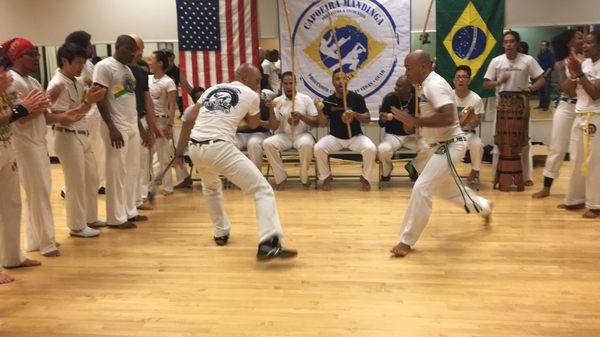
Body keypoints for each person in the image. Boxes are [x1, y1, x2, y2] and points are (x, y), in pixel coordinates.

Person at [173, 63, 297, 260]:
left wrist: (179, 153)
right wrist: (240, 117)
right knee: (262, 190)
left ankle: (221, 232)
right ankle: (268, 242)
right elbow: (255, 123)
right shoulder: (251, 95)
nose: (258, 85)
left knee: (211, 187)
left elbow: (189, 120)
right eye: (257, 80)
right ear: (246, 78)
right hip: (219, 148)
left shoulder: (213, 89)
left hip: (195, 147)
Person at [390, 50, 492, 257]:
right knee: (446, 191)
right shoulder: (425, 85)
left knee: (422, 187)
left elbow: (448, 117)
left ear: (423, 67)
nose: (406, 72)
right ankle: (484, 206)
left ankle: (406, 241)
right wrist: (414, 123)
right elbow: (434, 117)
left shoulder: (434, 85)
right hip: (438, 145)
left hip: (450, 144)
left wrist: (416, 121)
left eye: (408, 67)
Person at [2, 37, 61, 257]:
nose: (36, 58)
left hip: (38, 142)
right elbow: (21, 117)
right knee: (39, 193)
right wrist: (48, 99)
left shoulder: (34, 82)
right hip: (23, 145)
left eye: (37, 54)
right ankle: (47, 242)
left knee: (35, 194)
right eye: (31, 54)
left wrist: (69, 114)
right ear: (17, 56)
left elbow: (44, 116)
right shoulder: (12, 80)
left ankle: (34, 240)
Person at [47, 43, 107, 237]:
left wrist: (90, 100)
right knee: (75, 183)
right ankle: (77, 225)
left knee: (92, 178)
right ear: (65, 61)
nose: (82, 66)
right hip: (67, 136)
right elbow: (65, 117)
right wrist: (88, 101)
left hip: (83, 134)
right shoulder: (57, 84)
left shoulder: (76, 81)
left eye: (83, 62)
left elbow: (83, 109)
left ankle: (90, 218)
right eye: (78, 62)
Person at [0, 62, 44, 284]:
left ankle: (13, 256)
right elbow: (6, 116)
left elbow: (8, 114)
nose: (5, 74)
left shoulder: (3, 89)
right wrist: (21, 108)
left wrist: (8, 98)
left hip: (6, 149)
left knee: (12, 205)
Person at [483, 30, 546, 187]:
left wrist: (530, 89)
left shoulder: (528, 60)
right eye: (506, 42)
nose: (509, 44)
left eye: (512, 41)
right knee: (499, 143)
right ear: (503, 44)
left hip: (522, 107)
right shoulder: (496, 61)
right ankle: (496, 175)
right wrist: (498, 82)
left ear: (517, 44)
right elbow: (486, 83)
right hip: (502, 108)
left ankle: (526, 177)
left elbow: (542, 79)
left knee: (524, 143)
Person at [93, 35, 143, 229]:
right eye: (129, 49)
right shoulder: (105, 66)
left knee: (131, 170)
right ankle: (115, 218)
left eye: (135, 50)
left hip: (131, 124)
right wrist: (112, 127)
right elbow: (100, 98)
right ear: (118, 46)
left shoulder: (127, 70)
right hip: (116, 126)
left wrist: (139, 126)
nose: (133, 53)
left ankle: (129, 211)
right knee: (116, 172)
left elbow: (128, 99)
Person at [533, 30, 584, 199]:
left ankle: (580, 193)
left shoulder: (591, 60)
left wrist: (580, 70)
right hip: (567, 108)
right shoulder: (560, 64)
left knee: (581, 152)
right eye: (579, 37)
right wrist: (577, 73)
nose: (583, 40)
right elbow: (566, 90)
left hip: (585, 109)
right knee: (557, 148)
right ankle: (547, 187)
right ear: (569, 42)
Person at [314, 69, 376, 191]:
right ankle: (326, 177)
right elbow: (322, 124)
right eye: (337, 79)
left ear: (347, 80)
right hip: (335, 137)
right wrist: (319, 110)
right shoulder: (328, 100)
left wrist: (355, 115)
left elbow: (367, 118)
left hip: (355, 137)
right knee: (318, 148)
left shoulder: (356, 98)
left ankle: (365, 177)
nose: (341, 82)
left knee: (371, 148)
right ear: (333, 82)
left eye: (344, 78)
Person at [559, 31, 600, 218]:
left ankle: (595, 204)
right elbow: (570, 93)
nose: (584, 45)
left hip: (596, 117)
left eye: (590, 43)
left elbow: (595, 93)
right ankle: (575, 199)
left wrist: (580, 73)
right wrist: (573, 74)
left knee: (594, 164)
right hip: (580, 115)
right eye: (584, 42)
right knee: (576, 160)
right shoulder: (584, 63)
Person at [65, 30, 106, 195]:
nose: (91, 47)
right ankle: (69, 188)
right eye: (89, 45)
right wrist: (85, 80)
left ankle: (99, 182)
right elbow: (71, 82)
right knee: (86, 152)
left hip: (91, 111)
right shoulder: (74, 64)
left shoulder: (88, 64)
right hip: (83, 113)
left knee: (96, 150)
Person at [263, 71, 318, 190]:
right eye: (286, 83)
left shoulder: (306, 99)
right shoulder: (277, 101)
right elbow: (274, 126)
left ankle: (303, 175)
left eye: (291, 83)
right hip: (284, 135)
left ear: (295, 84)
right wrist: (271, 110)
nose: (288, 86)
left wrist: (301, 117)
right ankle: (280, 176)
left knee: (307, 144)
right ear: (282, 84)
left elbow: (315, 122)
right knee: (267, 143)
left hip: (302, 134)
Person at [377, 75, 428, 182]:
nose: (395, 88)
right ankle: (387, 170)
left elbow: (423, 122)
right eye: (396, 85)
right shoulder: (389, 98)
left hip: (412, 136)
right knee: (383, 149)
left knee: (429, 147)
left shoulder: (416, 101)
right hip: (393, 135)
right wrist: (383, 119)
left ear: (408, 89)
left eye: (399, 86)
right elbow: (381, 124)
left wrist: (416, 121)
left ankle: (413, 166)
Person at [128, 35, 159, 212]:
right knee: (128, 164)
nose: (139, 51)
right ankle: (132, 200)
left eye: (141, 47)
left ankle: (140, 197)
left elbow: (147, 101)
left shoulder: (140, 73)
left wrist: (152, 126)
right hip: (124, 122)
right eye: (136, 47)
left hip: (139, 119)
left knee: (142, 162)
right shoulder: (118, 70)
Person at [148, 50, 178, 195]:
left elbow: (172, 105)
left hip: (162, 121)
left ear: (160, 63)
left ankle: (168, 187)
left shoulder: (168, 82)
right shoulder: (147, 79)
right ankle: (148, 187)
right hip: (148, 121)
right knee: (147, 156)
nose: (149, 62)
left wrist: (170, 125)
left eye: (151, 60)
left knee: (164, 157)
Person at [453, 65, 485, 183]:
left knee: (478, 144)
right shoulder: (448, 96)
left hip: (468, 133)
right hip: (451, 133)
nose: (461, 80)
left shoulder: (476, 99)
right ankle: (444, 173)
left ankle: (475, 170)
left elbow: (477, 122)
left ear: (469, 80)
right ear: (454, 80)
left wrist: (472, 120)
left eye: (464, 77)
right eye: (458, 77)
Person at [537, 40, 556, 111]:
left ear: (547, 46)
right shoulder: (540, 54)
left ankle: (546, 106)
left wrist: (546, 74)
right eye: (541, 45)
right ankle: (541, 105)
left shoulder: (550, 54)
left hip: (546, 74)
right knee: (540, 90)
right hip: (540, 74)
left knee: (546, 91)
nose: (541, 46)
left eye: (543, 45)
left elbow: (551, 65)